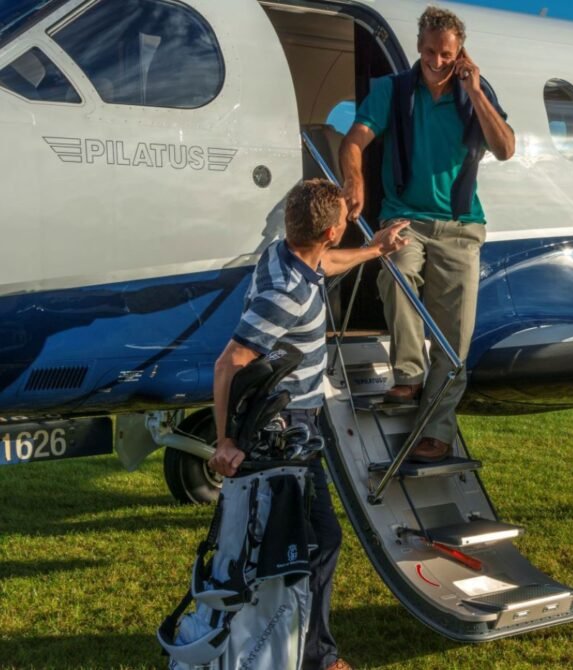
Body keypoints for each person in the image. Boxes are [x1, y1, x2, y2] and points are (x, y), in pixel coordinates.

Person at [207, 179, 409, 670]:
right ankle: (314, 657)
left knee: (296, 541)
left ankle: (285, 645)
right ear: (331, 232)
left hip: (300, 423)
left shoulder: (287, 254)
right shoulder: (287, 293)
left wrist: (375, 250)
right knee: (318, 539)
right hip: (283, 428)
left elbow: (326, 264)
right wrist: (225, 441)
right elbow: (228, 362)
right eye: (343, 220)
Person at [339, 5, 515, 463]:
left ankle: (435, 430)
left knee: (454, 338)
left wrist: (475, 91)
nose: (437, 60)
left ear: (460, 54)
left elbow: (505, 148)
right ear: (418, 46)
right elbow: (353, 141)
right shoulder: (392, 91)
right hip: (405, 218)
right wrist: (354, 180)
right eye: (431, 51)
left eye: (446, 53)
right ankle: (409, 375)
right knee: (395, 273)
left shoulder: (474, 93)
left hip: (461, 227)